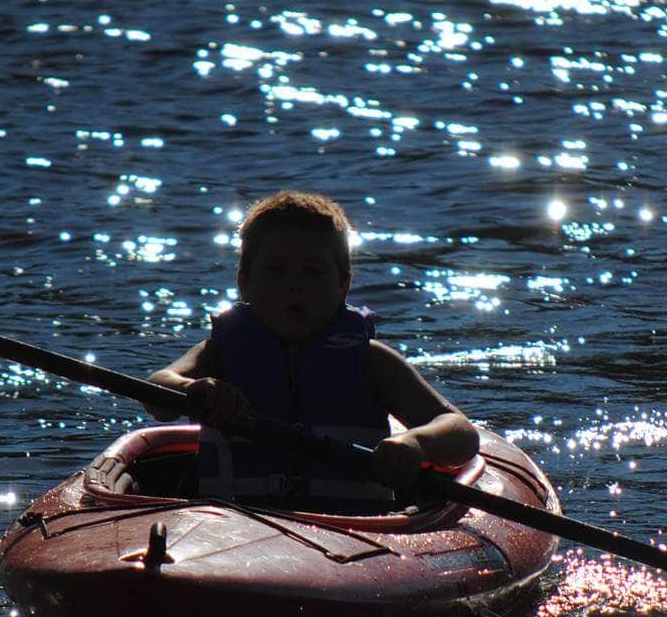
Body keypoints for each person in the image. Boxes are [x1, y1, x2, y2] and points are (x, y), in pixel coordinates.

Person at [139, 190, 479, 508]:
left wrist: (417, 443)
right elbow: (157, 392)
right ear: (244, 282)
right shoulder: (217, 354)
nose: (295, 285)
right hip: (228, 528)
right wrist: (191, 389)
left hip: (352, 537)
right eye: (276, 270)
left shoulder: (372, 362)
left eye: (313, 272)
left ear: (343, 285)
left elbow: (460, 432)